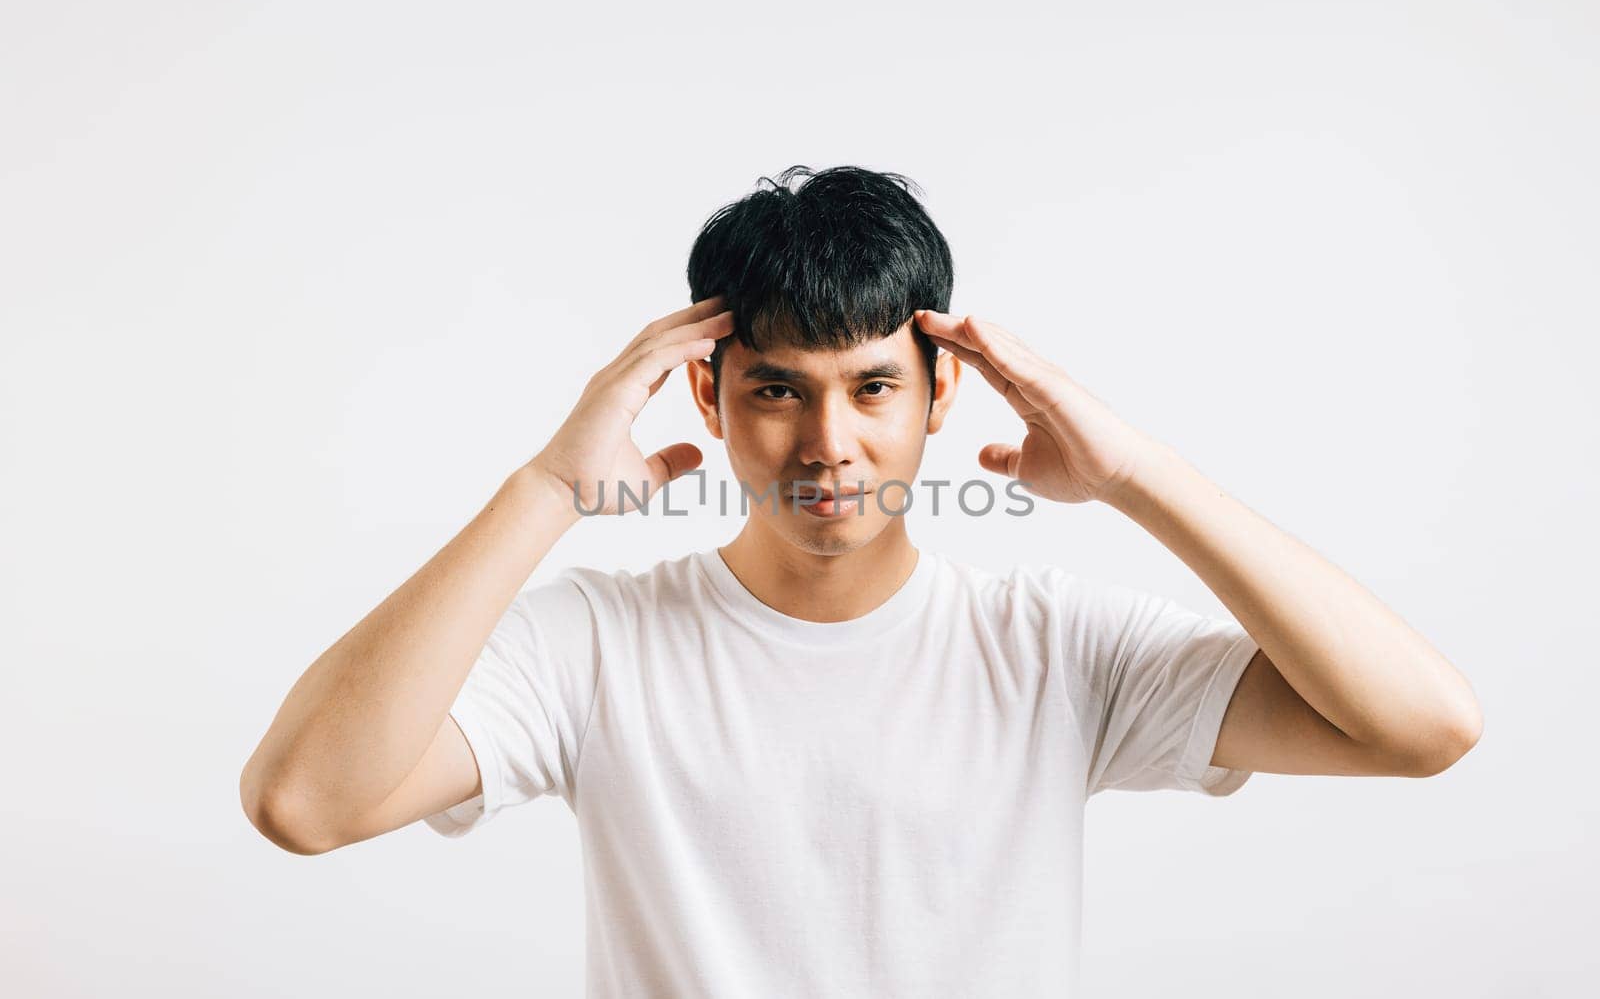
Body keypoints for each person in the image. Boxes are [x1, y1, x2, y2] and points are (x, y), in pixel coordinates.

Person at [240, 165, 1483, 996]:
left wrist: (1135, 472)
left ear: (943, 394)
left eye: (872, 386)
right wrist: (548, 490)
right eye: (777, 386)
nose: (827, 442)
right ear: (708, 395)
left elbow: (1424, 726)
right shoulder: (593, 648)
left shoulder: (1051, 646)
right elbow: (303, 800)